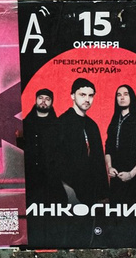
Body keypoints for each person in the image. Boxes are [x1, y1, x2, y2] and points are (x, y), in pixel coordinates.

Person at [62, 79, 111, 245]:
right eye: (82, 94)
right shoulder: (62, 122)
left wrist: (104, 194)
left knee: (90, 236)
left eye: (91, 95)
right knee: (72, 235)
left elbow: (98, 161)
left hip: (92, 193)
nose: (87, 99)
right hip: (69, 192)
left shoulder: (92, 125)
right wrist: (67, 189)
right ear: (72, 96)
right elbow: (55, 160)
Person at [19, 86, 64, 247]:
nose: (43, 101)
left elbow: (62, 150)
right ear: (36, 100)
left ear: (51, 103)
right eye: (41, 98)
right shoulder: (26, 123)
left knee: (55, 211)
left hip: (52, 178)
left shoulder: (57, 125)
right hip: (30, 178)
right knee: (31, 213)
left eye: (47, 99)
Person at [106, 81, 136, 219]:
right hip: (117, 178)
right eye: (119, 95)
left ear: (131, 97)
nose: (122, 97)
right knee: (116, 217)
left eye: (125, 94)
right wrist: (109, 167)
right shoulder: (114, 120)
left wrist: (131, 174)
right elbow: (108, 146)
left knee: (135, 218)